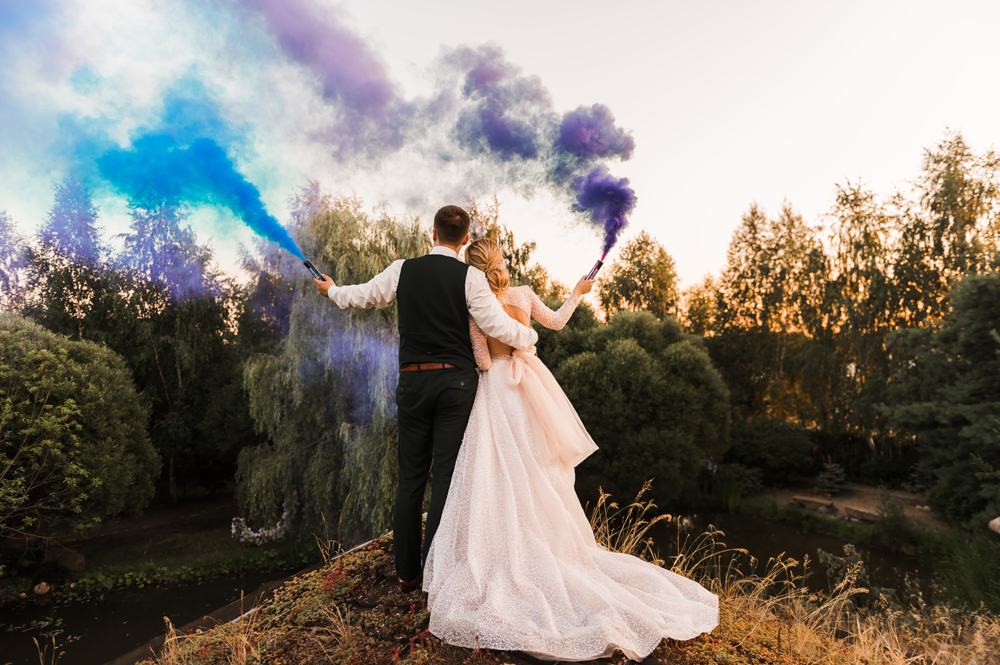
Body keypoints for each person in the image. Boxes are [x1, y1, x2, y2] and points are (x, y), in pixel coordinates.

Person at [422, 237, 719, 663]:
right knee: (540, 470)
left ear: (471, 270)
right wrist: (578, 292)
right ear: (502, 262)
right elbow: (558, 322)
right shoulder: (524, 294)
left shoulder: (475, 306)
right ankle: (554, 543)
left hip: (496, 393)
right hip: (531, 389)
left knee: (496, 471)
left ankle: (507, 546)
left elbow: (483, 361)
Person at [314, 206, 537, 593]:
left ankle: (407, 574)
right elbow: (497, 326)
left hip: (414, 383)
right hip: (457, 386)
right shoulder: (471, 277)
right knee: (446, 477)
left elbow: (362, 296)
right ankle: (435, 576)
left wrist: (332, 290)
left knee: (410, 480)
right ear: (464, 240)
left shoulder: (402, 270)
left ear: (433, 234)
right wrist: (529, 337)